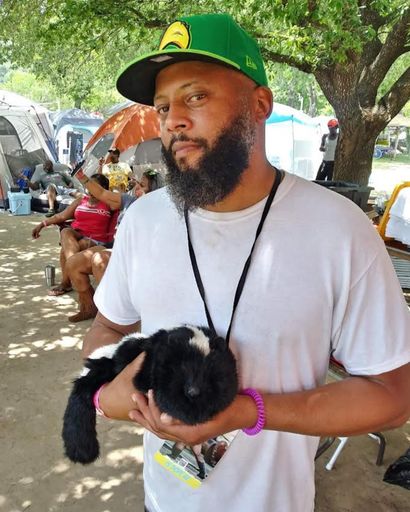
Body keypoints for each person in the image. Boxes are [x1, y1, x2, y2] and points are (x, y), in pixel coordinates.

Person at [82, 13, 410, 512]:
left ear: (260, 105)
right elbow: (107, 327)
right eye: (163, 106)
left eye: (196, 96)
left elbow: (393, 395)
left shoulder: (338, 229)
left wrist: (247, 412)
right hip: (161, 501)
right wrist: (108, 392)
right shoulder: (143, 221)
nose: (173, 121)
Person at [64, 169, 164, 322]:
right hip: (116, 250)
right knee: (73, 264)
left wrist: (147, 206)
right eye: (138, 183)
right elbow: (101, 193)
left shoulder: (158, 210)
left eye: (143, 185)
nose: (137, 186)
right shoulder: (128, 200)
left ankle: (114, 317)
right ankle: (89, 307)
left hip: (138, 257)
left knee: (99, 260)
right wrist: (81, 176)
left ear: (154, 192)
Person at [32, 174, 116, 296]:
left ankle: (66, 283)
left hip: (96, 239)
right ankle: (74, 274)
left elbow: (122, 202)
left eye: (94, 186)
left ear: (102, 188)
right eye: (89, 186)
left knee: (67, 249)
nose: (90, 189)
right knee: (65, 232)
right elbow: (61, 216)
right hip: (77, 233)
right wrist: (42, 224)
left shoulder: (109, 203)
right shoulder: (81, 200)